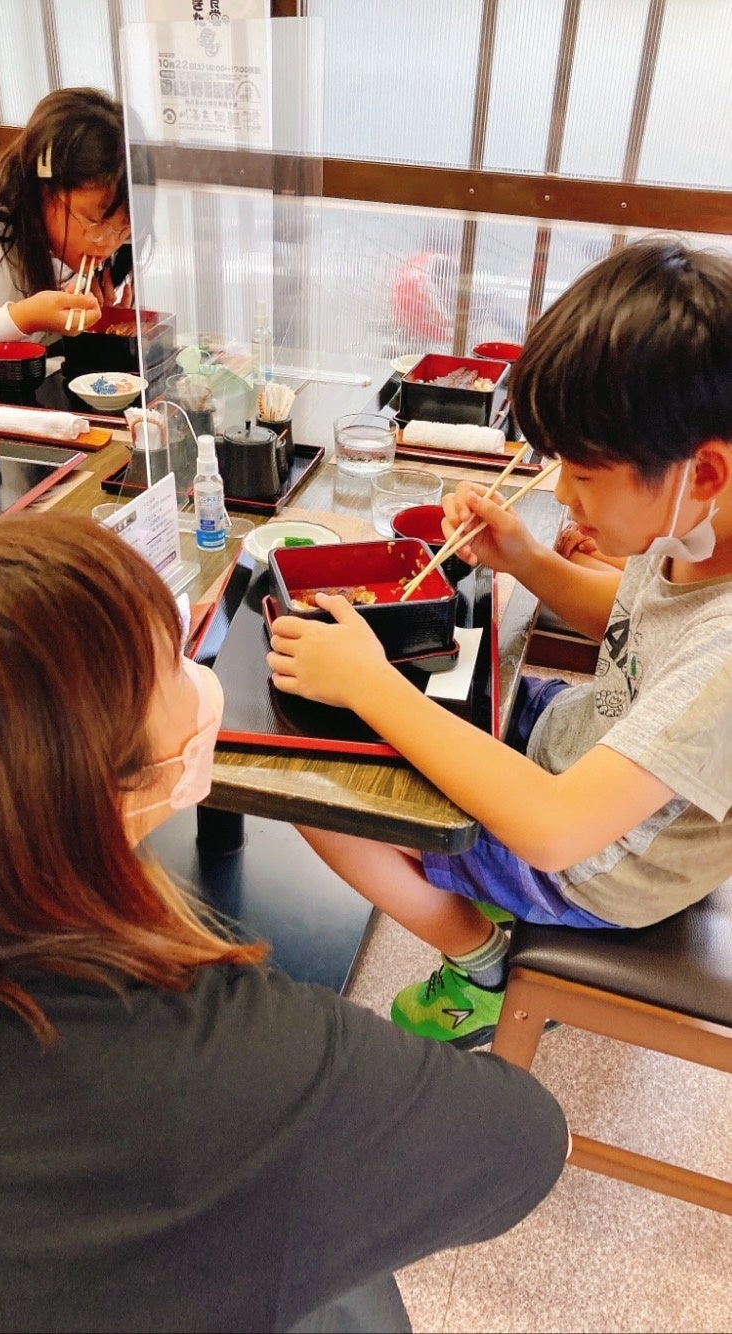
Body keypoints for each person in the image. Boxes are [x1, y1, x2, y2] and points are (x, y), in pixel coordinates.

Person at [0, 510, 568, 1333]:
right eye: (173, 665)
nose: (199, 676)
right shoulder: (232, 1051)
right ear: (93, 780)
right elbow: (528, 1143)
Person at [267, 236, 732, 1047]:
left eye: (584, 476)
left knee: (316, 786)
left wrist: (369, 682)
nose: (564, 495)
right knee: (403, 697)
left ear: (706, 472)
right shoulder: (696, 522)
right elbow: (633, 622)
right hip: (577, 739)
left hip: (595, 865)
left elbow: (554, 830)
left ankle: (478, 958)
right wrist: (525, 557)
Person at [0, 87, 137, 346]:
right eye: (95, 223)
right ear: (43, 187)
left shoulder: (72, 255)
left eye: (124, 228)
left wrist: (96, 330)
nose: (109, 244)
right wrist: (24, 318)